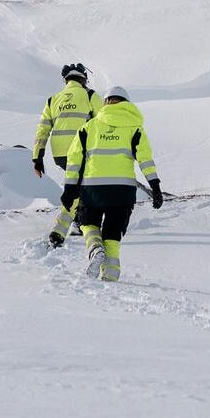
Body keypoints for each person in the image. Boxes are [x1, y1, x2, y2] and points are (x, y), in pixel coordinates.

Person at [65, 85, 162, 282]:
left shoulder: (89, 127)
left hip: (92, 188)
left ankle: (95, 248)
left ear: (106, 102)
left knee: (87, 222)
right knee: (112, 232)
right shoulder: (135, 127)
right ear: (126, 102)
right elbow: (145, 160)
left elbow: (74, 159)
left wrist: (69, 188)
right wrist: (155, 187)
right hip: (122, 190)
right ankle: (111, 274)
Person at [33, 63, 104, 247]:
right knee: (83, 186)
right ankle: (74, 223)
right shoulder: (90, 96)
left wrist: (37, 157)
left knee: (77, 184)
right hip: (83, 150)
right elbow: (104, 121)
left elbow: (42, 130)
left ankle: (78, 221)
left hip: (60, 154)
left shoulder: (53, 100)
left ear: (66, 80)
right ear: (83, 80)